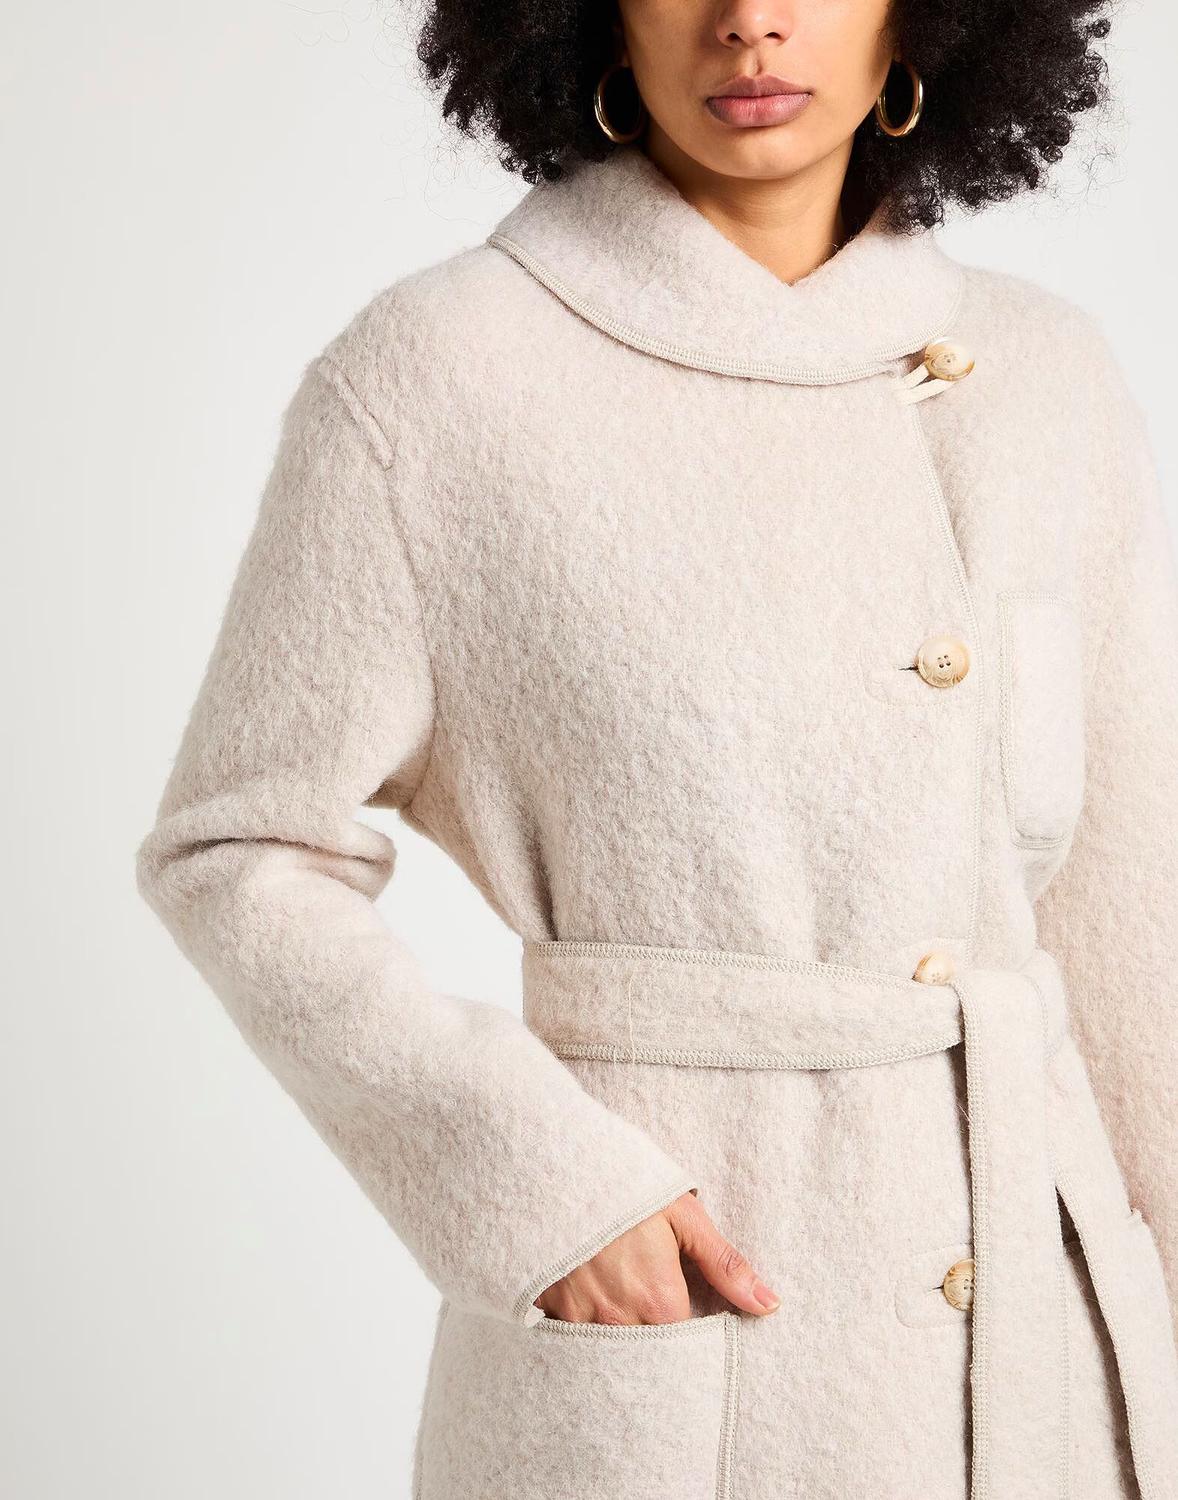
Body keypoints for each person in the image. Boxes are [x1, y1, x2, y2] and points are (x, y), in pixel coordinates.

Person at [136, 0, 1178, 1495]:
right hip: (692, 1330)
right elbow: (239, 849)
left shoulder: (1046, 376)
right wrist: (539, 1188)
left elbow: (1133, 904)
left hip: (1043, 1349)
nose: (749, 21)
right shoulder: (438, 373)